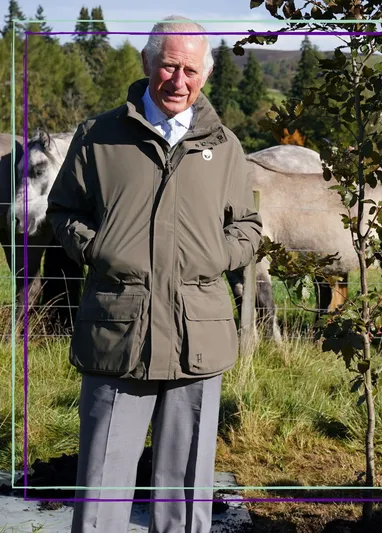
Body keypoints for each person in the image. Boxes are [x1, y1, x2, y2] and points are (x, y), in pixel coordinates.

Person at [46, 15, 263, 533]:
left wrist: (216, 256)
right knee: (101, 489)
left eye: (191, 70)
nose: (178, 80)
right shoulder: (98, 136)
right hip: (117, 333)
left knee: (186, 494)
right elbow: (63, 211)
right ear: (147, 64)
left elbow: (249, 227)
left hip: (198, 337)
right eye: (169, 65)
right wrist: (99, 248)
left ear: (205, 76)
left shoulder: (225, 146)